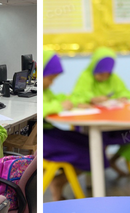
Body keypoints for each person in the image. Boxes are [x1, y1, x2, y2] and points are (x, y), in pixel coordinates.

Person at [42, 50, 109, 201]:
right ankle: (59, 182)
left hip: (52, 132)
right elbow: (45, 107)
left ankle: (59, 182)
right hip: (45, 140)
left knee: (95, 146)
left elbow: (56, 98)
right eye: (51, 78)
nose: (52, 83)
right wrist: (60, 105)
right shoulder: (41, 90)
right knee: (90, 153)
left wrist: (73, 102)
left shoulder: (45, 90)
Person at [70, 47, 130, 175]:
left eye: (107, 73)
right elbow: (75, 97)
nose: (104, 76)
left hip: (113, 121)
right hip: (92, 124)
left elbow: (126, 91)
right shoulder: (85, 77)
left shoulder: (113, 78)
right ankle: (95, 174)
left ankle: (112, 161)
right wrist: (92, 98)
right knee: (96, 143)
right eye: (100, 73)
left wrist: (123, 96)